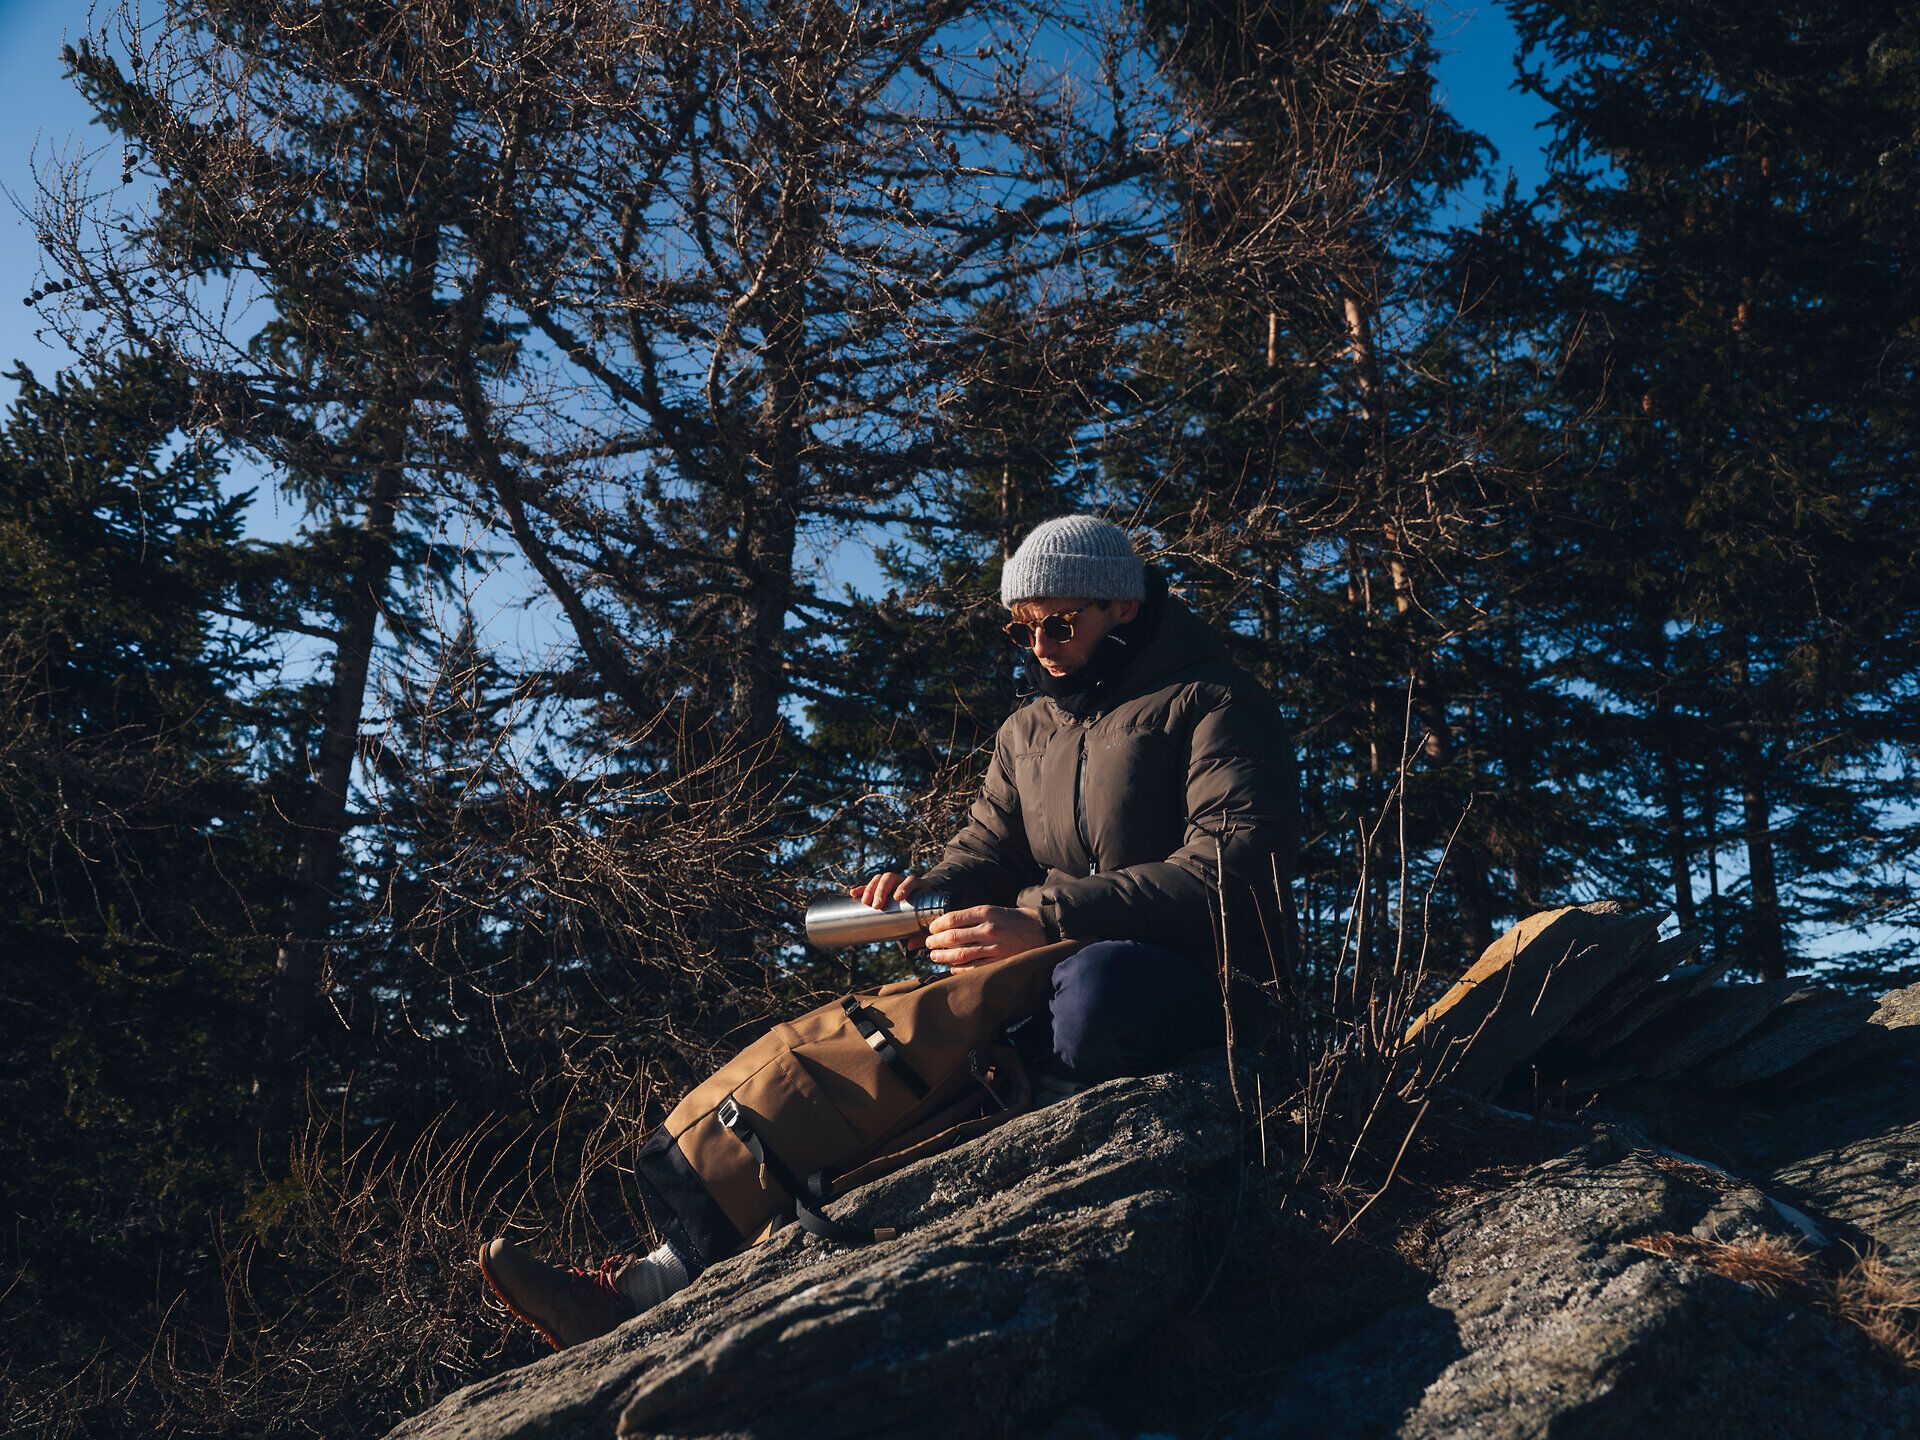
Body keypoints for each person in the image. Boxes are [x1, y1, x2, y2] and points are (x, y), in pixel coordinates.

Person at [479, 514, 1299, 1351]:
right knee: (853, 1055)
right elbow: (987, 850)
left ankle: (1005, 1168)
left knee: (1093, 994)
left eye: (1063, 622)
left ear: (1122, 609)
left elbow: (1234, 870)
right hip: (1042, 972)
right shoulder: (1031, 731)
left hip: (1193, 980)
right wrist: (926, 894)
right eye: (1024, 627)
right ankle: (648, 1283)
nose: (1042, 645)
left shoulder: (1215, 701)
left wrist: (1047, 918)